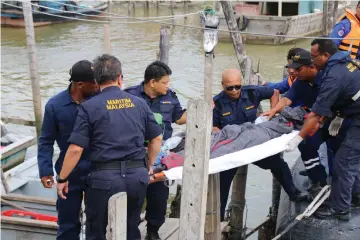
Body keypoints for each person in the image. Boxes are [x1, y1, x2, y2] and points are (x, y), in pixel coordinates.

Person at [56, 54, 163, 240]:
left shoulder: (89, 107)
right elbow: (156, 138)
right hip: (136, 177)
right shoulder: (139, 103)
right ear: (120, 77)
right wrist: (149, 165)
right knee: (131, 226)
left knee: (97, 230)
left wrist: (63, 177)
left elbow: (75, 149)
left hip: (104, 180)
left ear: (96, 81)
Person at [213, 68, 307, 221]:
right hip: (232, 148)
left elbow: (274, 92)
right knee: (222, 185)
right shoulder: (217, 103)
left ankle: (294, 193)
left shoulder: (252, 92)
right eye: (230, 88)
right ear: (223, 85)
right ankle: (219, 218)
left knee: (278, 164)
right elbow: (214, 127)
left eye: (237, 86)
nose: (235, 91)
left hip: (254, 143)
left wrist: (273, 111)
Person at [286, 39, 360, 220]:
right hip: (350, 114)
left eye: (313, 56)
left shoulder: (333, 76)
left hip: (355, 119)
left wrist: (298, 138)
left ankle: (340, 209)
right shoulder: (345, 63)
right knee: (349, 160)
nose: (312, 60)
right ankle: (355, 195)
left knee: (344, 162)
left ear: (326, 55)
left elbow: (316, 114)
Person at [124, 61, 186, 240]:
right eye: (165, 82)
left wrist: (202, 110)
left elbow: (179, 118)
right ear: (152, 82)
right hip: (134, 152)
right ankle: (130, 229)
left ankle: (153, 231)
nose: (168, 86)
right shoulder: (129, 96)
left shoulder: (170, 97)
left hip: (161, 153)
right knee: (134, 194)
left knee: (159, 196)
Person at [37, 60, 98, 240]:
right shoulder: (55, 106)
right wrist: (45, 170)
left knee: (97, 222)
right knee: (67, 224)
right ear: (79, 84)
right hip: (68, 172)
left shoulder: (99, 102)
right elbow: (46, 140)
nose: (97, 85)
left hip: (97, 170)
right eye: (93, 82)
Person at [262, 50, 328, 198]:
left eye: (298, 69)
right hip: (314, 118)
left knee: (336, 152)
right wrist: (274, 110)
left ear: (311, 67)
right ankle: (318, 180)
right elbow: (287, 100)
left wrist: (322, 120)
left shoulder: (327, 79)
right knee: (306, 145)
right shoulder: (300, 82)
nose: (293, 72)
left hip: (334, 118)